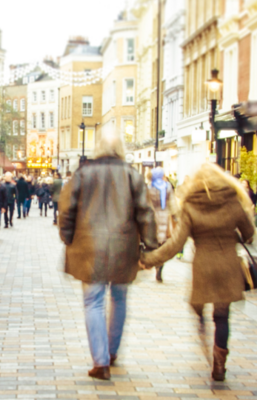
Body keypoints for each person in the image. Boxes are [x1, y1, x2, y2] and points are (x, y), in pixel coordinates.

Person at [142, 163, 255, 381]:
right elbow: (249, 233)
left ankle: (201, 320)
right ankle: (220, 363)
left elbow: (175, 244)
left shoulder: (191, 205)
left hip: (203, 266)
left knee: (198, 303)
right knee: (222, 316)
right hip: (228, 265)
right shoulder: (232, 201)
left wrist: (149, 259)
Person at [59, 133, 157, 380]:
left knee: (93, 301)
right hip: (124, 246)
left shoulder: (83, 173)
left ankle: (100, 362)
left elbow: (66, 208)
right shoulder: (132, 175)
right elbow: (146, 213)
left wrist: (68, 236)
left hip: (89, 246)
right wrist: (151, 245)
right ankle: (112, 351)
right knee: (120, 297)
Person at [148, 168, 179, 282]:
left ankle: (156, 263)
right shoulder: (167, 186)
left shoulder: (149, 187)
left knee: (155, 243)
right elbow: (172, 202)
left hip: (152, 218)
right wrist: (176, 215)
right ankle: (160, 265)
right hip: (165, 217)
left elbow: (146, 203)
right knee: (164, 244)